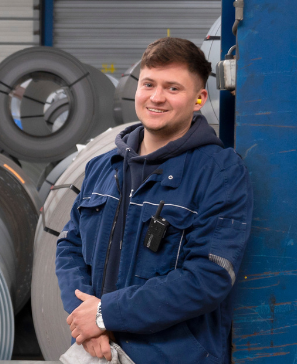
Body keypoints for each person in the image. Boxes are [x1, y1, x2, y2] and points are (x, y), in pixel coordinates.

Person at [54, 37, 253, 363]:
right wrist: (87, 319)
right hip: (96, 349)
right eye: (149, 84)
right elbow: (69, 245)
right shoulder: (103, 166)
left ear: (199, 99)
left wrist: (105, 314)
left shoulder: (221, 173)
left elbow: (208, 276)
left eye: (173, 88)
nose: (156, 97)